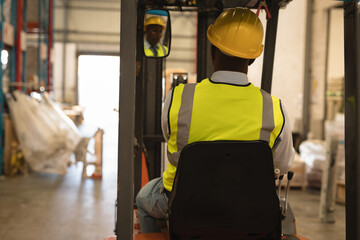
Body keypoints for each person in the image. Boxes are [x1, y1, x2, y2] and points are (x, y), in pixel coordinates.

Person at [136, 7, 295, 233]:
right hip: (248, 208)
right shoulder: (274, 108)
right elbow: (282, 166)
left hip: (185, 205)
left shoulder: (178, 98)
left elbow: (173, 144)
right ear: (252, 58)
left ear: (212, 50)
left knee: (143, 199)